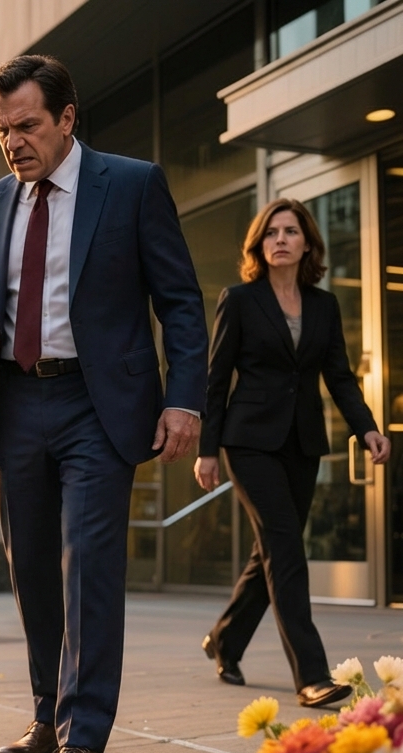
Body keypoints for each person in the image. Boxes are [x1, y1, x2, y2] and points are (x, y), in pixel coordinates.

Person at [0, 55, 208, 753]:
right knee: (31, 569)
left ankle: (85, 737)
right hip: (19, 404)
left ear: (67, 117)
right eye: (3, 130)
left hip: (101, 407)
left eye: (27, 125)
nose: (14, 142)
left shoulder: (130, 184)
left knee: (88, 566)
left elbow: (182, 303)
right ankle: (48, 717)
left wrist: (184, 399)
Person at [195, 198, 390, 708]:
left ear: (307, 243)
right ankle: (311, 675)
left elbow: (339, 377)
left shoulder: (324, 305)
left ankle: (225, 639)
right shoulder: (239, 299)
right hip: (248, 442)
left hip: (302, 444)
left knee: (271, 553)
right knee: (286, 549)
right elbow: (217, 380)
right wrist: (207, 449)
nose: (280, 239)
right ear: (259, 245)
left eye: (291, 231)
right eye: (271, 232)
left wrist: (367, 428)